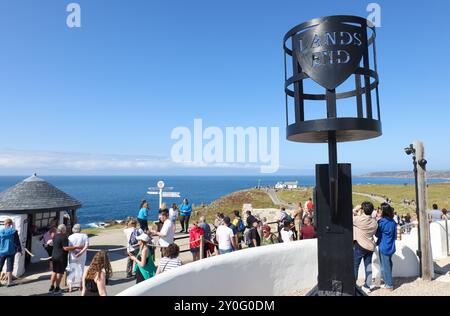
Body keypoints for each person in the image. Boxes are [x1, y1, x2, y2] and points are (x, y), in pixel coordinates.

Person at [49, 224, 83, 294]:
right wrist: (77, 247)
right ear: (63, 230)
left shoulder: (55, 236)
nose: (66, 230)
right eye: (65, 229)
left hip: (54, 256)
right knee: (59, 272)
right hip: (61, 257)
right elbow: (65, 248)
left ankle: (51, 287)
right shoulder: (64, 237)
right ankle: (57, 288)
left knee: (54, 272)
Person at [353, 202, 378, 294]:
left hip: (360, 246)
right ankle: (367, 287)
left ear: (362, 210)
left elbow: (348, 217)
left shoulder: (359, 220)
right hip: (370, 247)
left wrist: (356, 209)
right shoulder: (374, 222)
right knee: (368, 266)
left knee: (355, 266)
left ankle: (353, 285)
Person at [376, 203, 397, 291]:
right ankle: (387, 280)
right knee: (389, 264)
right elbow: (395, 236)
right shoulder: (393, 222)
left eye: (380, 209)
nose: (379, 211)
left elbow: (377, 234)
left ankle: (389, 284)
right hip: (391, 246)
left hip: (384, 246)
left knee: (385, 266)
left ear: (383, 211)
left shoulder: (381, 222)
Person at [67, 224, 89, 292]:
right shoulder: (85, 236)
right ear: (80, 229)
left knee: (72, 270)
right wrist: (80, 253)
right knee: (81, 270)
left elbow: (69, 247)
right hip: (82, 256)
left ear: (73, 229)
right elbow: (86, 246)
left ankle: (70, 287)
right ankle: (80, 286)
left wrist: (75, 252)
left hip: (73, 256)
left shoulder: (70, 237)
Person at [0, 218, 22, 287]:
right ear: (11, 224)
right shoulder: (14, 231)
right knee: (10, 267)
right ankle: (9, 282)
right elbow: (17, 242)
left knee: (0, 266)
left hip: (1, 252)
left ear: (5, 224)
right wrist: (19, 250)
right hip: (11, 251)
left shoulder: (1, 232)